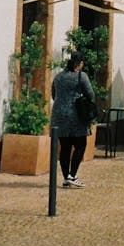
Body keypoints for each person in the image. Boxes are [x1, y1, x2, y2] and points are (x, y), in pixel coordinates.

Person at [51, 55, 95, 188]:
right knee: (81, 145)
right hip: (76, 115)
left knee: (65, 147)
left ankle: (66, 178)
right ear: (80, 63)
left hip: (59, 115)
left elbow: (54, 95)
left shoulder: (58, 77)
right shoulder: (82, 76)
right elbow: (91, 95)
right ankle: (72, 175)